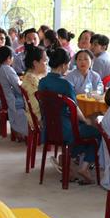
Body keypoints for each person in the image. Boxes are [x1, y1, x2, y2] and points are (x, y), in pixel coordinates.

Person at [38, 49, 100, 185]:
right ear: (64, 65)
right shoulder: (66, 84)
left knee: (84, 132)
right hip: (66, 129)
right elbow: (74, 109)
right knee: (97, 133)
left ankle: (68, 160)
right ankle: (84, 167)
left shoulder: (42, 82)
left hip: (49, 128)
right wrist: (87, 120)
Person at [0, 46, 28, 139]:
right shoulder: (7, 69)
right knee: (29, 102)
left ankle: (15, 130)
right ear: (9, 58)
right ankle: (22, 131)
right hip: (6, 101)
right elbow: (19, 89)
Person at [20, 45, 47, 127]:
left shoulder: (36, 75)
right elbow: (35, 106)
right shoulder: (31, 80)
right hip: (37, 119)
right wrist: (41, 120)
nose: (47, 63)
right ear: (35, 63)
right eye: (45, 60)